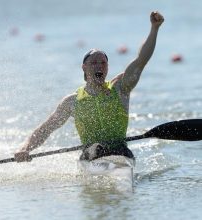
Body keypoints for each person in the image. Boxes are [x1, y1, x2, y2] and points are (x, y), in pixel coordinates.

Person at [14, 11, 164, 162]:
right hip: (90, 156)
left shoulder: (120, 89)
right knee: (95, 148)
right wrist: (25, 148)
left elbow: (141, 60)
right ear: (84, 68)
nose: (99, 66)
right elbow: (46, 129)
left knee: (117, 149)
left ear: (107, 67)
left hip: (120, 153)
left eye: (103, 63)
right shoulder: (72, 101)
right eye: (94, 63)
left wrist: (154, 28)